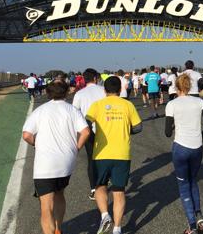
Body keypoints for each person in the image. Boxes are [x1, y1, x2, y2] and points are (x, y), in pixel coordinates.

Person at [22, 81, 90, 234]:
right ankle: (59, 228)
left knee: (46, 205)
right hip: (66, 162)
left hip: (45, 165)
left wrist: (36, 144)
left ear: (48, 93)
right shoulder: (72, 110)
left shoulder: (40, 111)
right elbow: (85, 132)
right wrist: (76, 148)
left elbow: (26, 135)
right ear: (66, 93)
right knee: (60, 193)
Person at [87, 76, 143, 234]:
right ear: (120, 90)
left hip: (101, 153)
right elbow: (138, 127)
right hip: (122, 153)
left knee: (99, 186)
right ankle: (117, 228)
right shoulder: (128, 104)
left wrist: (93, 137)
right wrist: (126, 130)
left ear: (104, 90)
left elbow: (86, 123)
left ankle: (105, 214)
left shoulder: (97, 105)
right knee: (119, 192)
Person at [165, 74, 203, 234]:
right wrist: (202, 135)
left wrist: (173, 126)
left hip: (180, 147)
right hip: (197, 146)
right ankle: (200, 218)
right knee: (193, 180)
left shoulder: (172, 104)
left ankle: (192, 226)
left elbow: (167, 133)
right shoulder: (199, 101)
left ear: (177, 87)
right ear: (188, 86)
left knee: (183, 185)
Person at [73, 68, 107, 200]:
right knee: (106, 157)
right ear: (95, 78)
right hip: (105, 129)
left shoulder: (79, 94)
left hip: (87, 130)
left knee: (91, 159)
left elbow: (74, 113)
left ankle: (94, 188)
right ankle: (105, 179)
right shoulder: (103, 90)